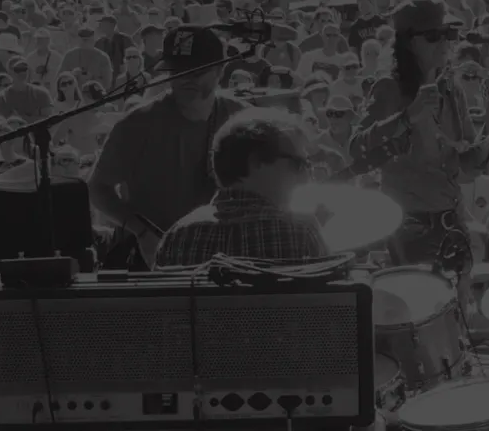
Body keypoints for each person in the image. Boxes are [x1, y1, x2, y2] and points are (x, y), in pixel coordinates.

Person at [349, 0, 489, 270]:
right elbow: (356, 149)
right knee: (426, 307)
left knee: (458, 308)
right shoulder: (389, 88)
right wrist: (408, 116)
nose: (446, 42)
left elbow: (468, 164)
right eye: (435, 35)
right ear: (410, 42)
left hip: (452, 219)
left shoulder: (451, 89)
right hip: (410, 225)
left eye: (450, 33)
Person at [88, 27, 249, 269]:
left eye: (196, 71)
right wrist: (141, 231)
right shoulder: (137, 124)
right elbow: (98, 188)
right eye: (178, 71)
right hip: (153, 257)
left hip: (226, 256)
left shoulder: (243, 119)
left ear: (220, 70)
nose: (186, 79)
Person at [154, 107, 324, 267]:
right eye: (299, 164)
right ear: (256, 162)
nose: (307, 176)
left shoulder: (177, 235)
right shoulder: (301, 232)